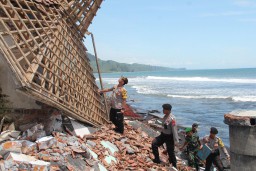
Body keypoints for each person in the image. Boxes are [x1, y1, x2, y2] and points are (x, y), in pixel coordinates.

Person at [151, 104, 179, 168]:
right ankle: (157, 159)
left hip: (169, 137)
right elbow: (164, 126)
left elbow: (174, 130)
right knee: (154, 143)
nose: (163, 110)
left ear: (168, 110)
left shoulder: (172, 119)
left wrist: (176, 141)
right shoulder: (165, 116)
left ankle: (174, 166)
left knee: (170, 152)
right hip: (163, 135)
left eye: (164, 109)